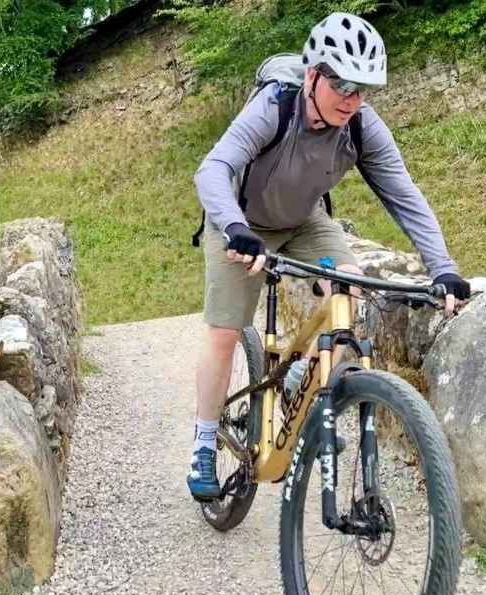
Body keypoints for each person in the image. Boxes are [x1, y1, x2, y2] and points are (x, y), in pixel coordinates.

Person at [186, 11, 471, 501]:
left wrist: (443, 267)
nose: (352, 100)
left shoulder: (360, 126)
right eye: (342, 85)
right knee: (226, 330)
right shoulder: (275, 107)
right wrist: (234, 227)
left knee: (350, 284)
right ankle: (205, 441)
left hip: (304, 220)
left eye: (363, 90)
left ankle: (304, 383)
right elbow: (213, 169)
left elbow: (404, 195)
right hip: (240, 219)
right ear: (312, 75)